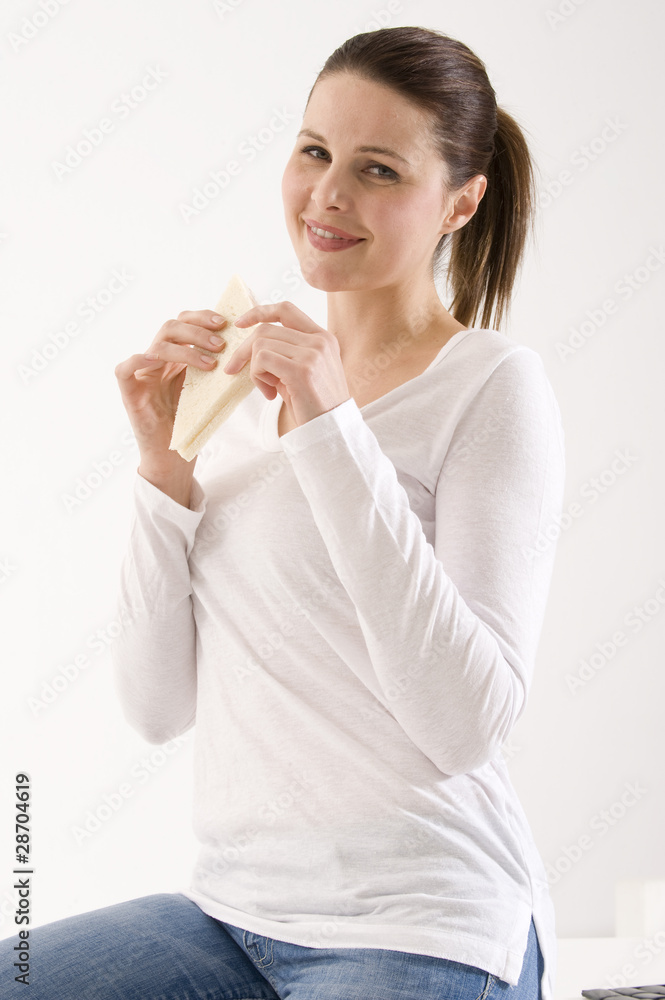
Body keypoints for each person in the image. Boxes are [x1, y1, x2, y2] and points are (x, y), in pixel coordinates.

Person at [2, 25, 565, 1000]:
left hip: (423, 922)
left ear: (459, 202)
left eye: (377, 169)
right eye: (313, 151)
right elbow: (154, 707)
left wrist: (327, 420)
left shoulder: (490, 388)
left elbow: (464, 722)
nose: (326, 196)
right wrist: (161, 468)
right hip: (230, 913)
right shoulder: (236, 371)